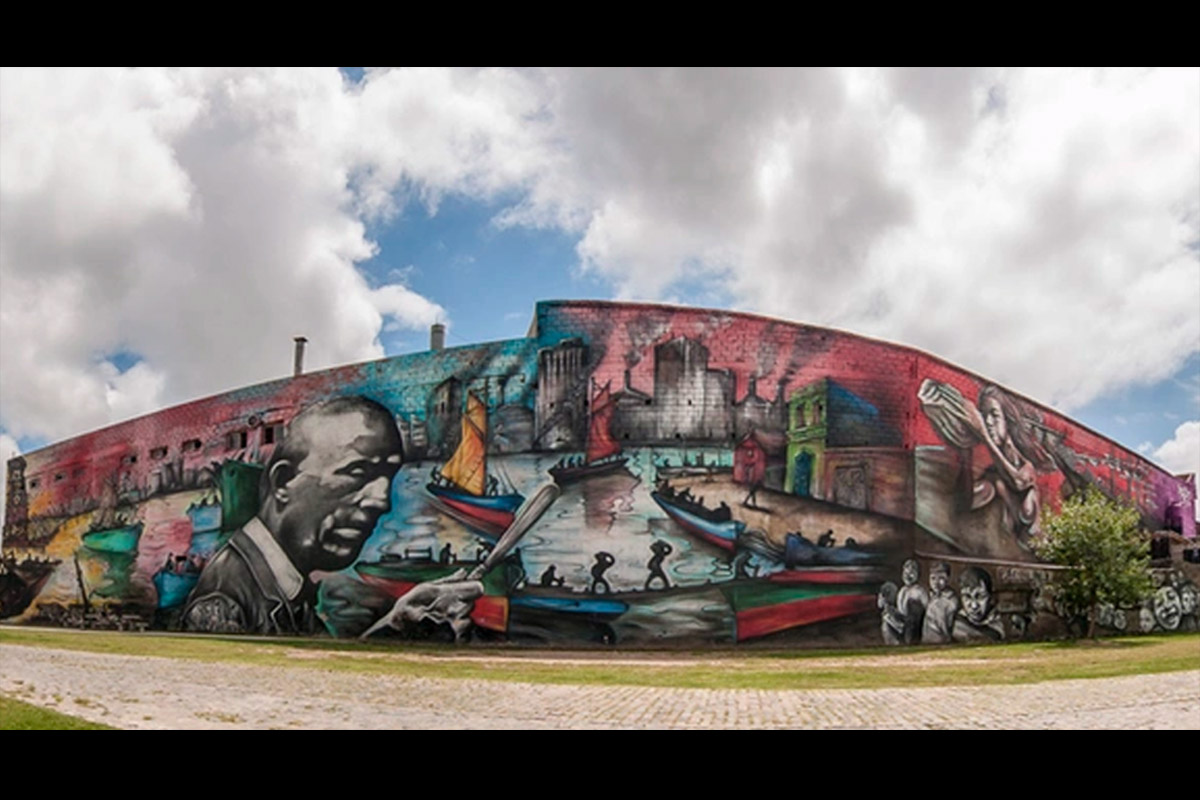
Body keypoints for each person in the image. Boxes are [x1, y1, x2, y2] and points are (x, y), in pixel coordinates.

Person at [182, 396, 482, 636]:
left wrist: (396, 624)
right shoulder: (225, 600)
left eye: (388, 478)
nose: (381, 502)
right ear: (283, 481)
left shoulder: (282, 583)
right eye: (358, 472)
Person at [952, 566, 1005, 642]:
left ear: (991, 597)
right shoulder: (956, 623)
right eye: (967, 597)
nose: (974, 606)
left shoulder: (1001, 623)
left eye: (980, 597)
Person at [922, 562, 958, 644]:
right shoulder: (931, 597)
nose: (936, 582)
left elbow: (946, 625)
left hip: (941, 641)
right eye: (933, 578)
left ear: (948, 579)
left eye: (941, 578)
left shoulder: (950, 600)